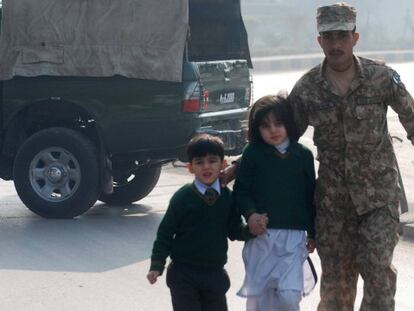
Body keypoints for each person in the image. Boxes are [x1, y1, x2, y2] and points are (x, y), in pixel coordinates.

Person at [287, 3, 414, 311]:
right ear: (319, 41)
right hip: (332, 205)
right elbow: (280, 140)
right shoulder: (306, 89)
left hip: (378, 200)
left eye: (342, 35)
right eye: (328, 37)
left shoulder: (381, 77)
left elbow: (412, 119)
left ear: (355, 37)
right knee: (337, 288)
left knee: (378, 274)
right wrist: (239, 168)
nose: (335, 44)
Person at [147, 133, 252, 311]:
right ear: (190, 168)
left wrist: (250, 231)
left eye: (212, 161)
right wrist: (157, 265)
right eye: (199, 162)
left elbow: (234, 230)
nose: (206, 167)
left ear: (223, 164)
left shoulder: (228, 197)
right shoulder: (183, 197)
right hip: (183, 273)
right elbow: (165, 233)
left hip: (214, 274)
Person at [233, 94, 316, 311]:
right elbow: (241, 191)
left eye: (278, 123)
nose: (273, 130)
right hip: (261, 239)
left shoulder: (303, 156)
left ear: (288, 123)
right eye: (266, 126)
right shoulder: (252, 154)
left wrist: (313, 233)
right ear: (256, 129)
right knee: (261, 301)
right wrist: (251, 215)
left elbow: (311, 197)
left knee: (289, 297)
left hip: (293, 239)